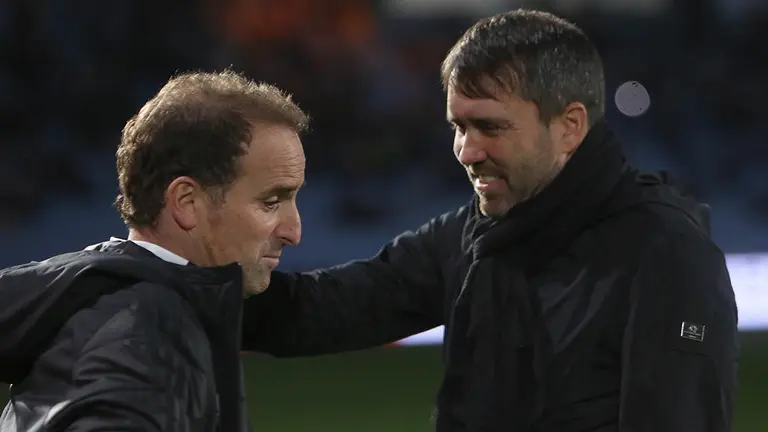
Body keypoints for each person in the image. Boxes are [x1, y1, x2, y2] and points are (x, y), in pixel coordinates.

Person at [241, 9, 739, 432]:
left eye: (490, 127)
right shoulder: (467, 238)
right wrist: (178, 285)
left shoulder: (665, 253)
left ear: (570, 127)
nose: (466, 150)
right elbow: (317, 312)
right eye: (458, 126)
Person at [0, 70, 308, 431]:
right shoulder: (143, 338)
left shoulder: (112, 291)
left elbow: (330, 302)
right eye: (271, 201)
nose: (294, 232)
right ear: (187, 202)